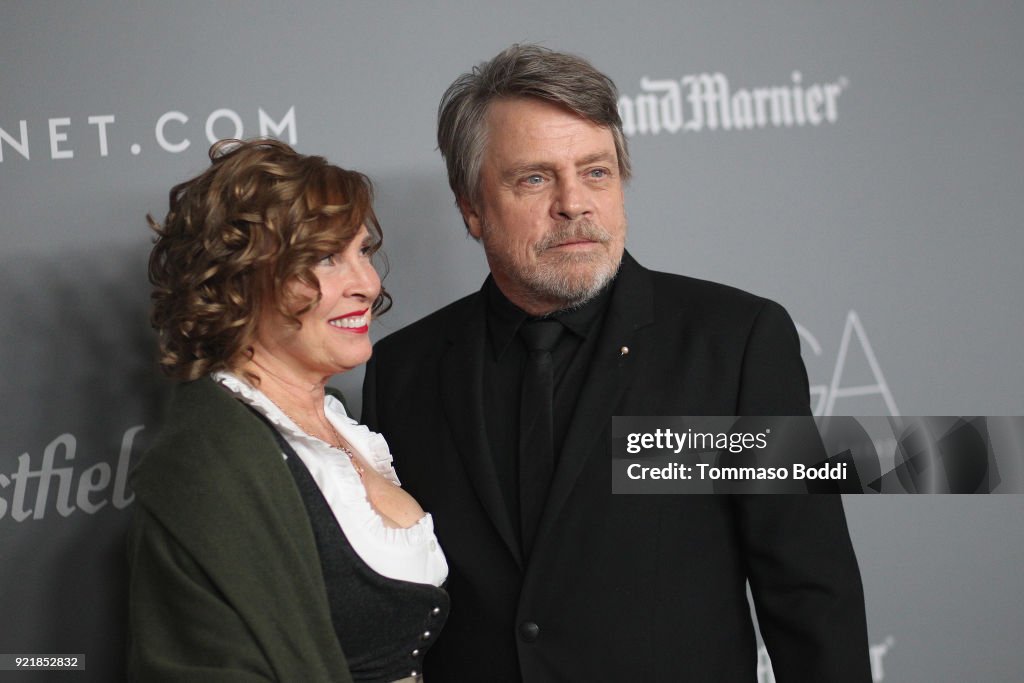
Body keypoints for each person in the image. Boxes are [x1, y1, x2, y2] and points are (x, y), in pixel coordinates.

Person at [361, 45, 872, 681]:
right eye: (535, 178)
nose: (574, 203)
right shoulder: (403, 370)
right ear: (471, 207)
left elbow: (809, 587)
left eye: (596, 172)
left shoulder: (733, 342)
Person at [128, 139, 448, 683]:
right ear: (240, 278)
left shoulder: (340, 422)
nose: (367, 285)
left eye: (362, 252)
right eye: (324, 258)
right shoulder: (207, 463)